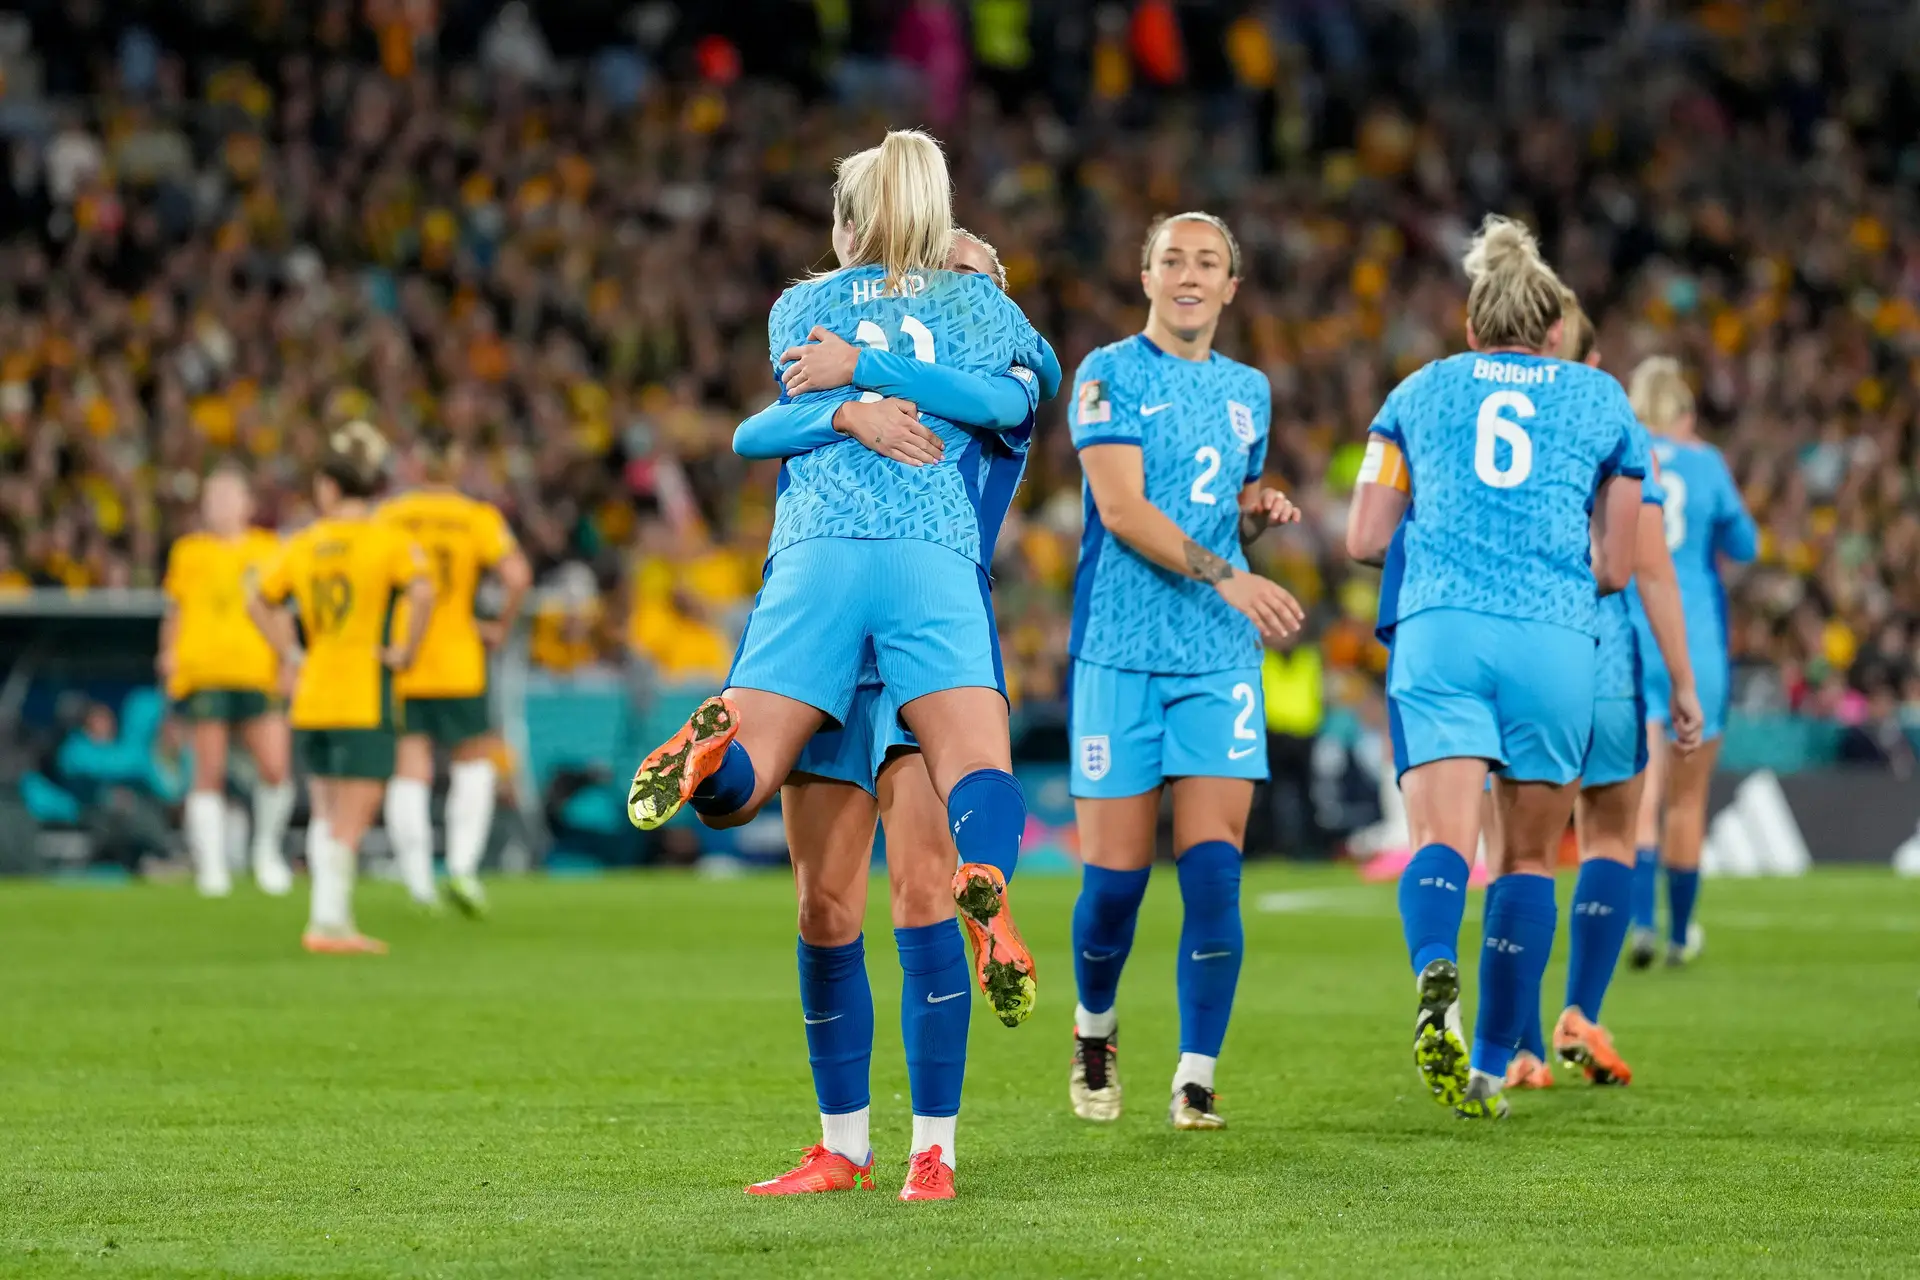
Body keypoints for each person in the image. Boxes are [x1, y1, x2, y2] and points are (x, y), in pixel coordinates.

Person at [624, 131, 1050, 1034]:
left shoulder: (801, 308)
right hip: (931, 564)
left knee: (770, 809)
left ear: (851, 223)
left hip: (814, 556)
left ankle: (711, 757)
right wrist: (879, 383)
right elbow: (1014, 398)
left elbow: (754, 434)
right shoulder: (987, 315)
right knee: (964, 789)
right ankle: (991, 883)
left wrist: (850, 391)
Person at [726, 229, 1052, 1200]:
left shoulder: (1001, 379)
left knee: (918, 896)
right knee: (822, 903)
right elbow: (763, 429)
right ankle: (843, 1145)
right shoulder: (866, 377)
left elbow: (998, 389)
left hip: (921, 643)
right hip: (837, 639)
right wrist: (847, 406)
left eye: (965, 273)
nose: (940, 281)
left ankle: (933, 1147)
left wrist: (860, 378)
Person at [1346, 215, 1647, 1120]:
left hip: (1442, 628)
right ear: (1557, 332)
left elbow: (1365, 537)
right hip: (1554, 639)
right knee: (1526, 859)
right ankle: (1486, 1066)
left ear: (1472, 328)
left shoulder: (1417, 391)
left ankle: (1435, 960)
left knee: (1443, 842)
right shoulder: (1603, 403)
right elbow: (1618, 568)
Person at [1063, 211, 1304, 1132]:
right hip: (1119, 655)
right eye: (1174, 259)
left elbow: (1216, 505)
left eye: (1209, 262)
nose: (1191, 274)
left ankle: (1195, 1077)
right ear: (1147, 276)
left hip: (1215, 660)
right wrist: (1229, 573)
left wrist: (1253, 514)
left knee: (1212, 877)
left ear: (1232, 286)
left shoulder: (1251, 391)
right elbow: (1121, 510)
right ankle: (1095, 1030)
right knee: (1114, 886)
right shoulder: (1107, 375)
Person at [1496, 293, 1703, 1093]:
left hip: (1517, 657)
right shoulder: (1613, 419)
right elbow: (1647, 567)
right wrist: (1683, 683)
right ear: (1584, 357)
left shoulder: (1491, 422)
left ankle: (1517, 1045)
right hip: (1607, 661)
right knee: (1613, 839)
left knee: (1518, 851)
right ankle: (1581, 1008)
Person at [249, 422, 433, 955]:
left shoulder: (303, 543)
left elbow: (257, 599)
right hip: (362, 688)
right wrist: (406, 653)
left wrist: (288, 652)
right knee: (354, 812)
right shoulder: (388, 541)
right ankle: (329, 922)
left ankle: (327, 916)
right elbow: (422, 594)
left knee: (326, 807)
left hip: (312, 690)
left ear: (330, 488)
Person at [1627, 356, 1759, 968]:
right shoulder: (1705, 462)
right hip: (1693, 638)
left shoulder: (1621, 453)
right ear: (1683, 411)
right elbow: (1746, 545)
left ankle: (1639, 925)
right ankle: (1680, 934)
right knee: (1686, 798)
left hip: (1628, 633)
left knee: (1636, 793)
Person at [378, 433, 532, 916]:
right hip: (461, 659)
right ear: (457, 465)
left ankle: (419, 882)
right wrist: (500, 626)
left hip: (406, 658)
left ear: (417, 467)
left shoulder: (391, 517)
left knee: (410, 770)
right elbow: (518, 576)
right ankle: (463, 870)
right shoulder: (475, 517)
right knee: (472, 763)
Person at [158, 465, 295, 897]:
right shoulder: (188, 552)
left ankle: (266, 852)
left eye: (227, 497)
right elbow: (175, 610)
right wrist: (169, 656)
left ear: (247, 505)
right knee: (208, 771)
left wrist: (289, 659)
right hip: (206, 672)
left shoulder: (269, 548)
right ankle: (212, 866)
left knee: (275, 767)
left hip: (257, 670)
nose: (219, 506)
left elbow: (280, 609)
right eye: (212, 498)